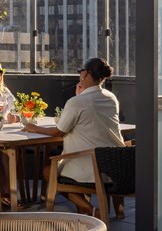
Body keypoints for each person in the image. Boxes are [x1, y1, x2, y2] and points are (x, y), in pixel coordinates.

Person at [23, 57, 124, 215]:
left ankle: (91, 211)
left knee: (48, 171)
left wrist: (34, 128)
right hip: (115, 165)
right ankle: (110, 211)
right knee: (60, 168)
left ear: (85, 74)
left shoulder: (77, 102)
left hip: (90, 165)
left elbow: (59, 132)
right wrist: (79, 96)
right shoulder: (111, 98)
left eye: (80, 71)